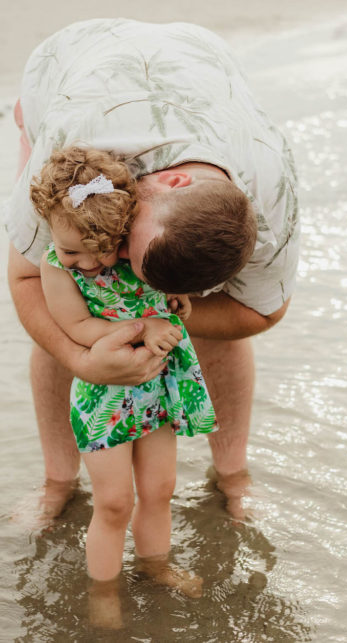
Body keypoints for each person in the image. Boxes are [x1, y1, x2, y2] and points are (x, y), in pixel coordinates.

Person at [5, 18, 300, 520]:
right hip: (71, 65)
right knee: (69, 288)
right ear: (172, 181)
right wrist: (83, 357)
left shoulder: (270, 192)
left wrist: (164, 317)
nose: (111, 264)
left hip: (204, 70)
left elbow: (262, 313)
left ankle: (233, 475)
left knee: (216, 322)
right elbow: (27, 277)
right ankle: (57, 480)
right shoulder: (76, 153)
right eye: (128, 247)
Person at [32, 145, 215, 625]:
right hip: (104, 397)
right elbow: (79, 328)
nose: (87, 265)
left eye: (100, 252)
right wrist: (142, 329)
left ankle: (155, 565)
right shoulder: (56, 267)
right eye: (73, 251)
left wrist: (176, 312)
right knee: (114, 502)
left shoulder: (142, 255)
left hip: (155, 388)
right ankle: (104, 591)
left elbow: (171, 298)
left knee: (160, 488)